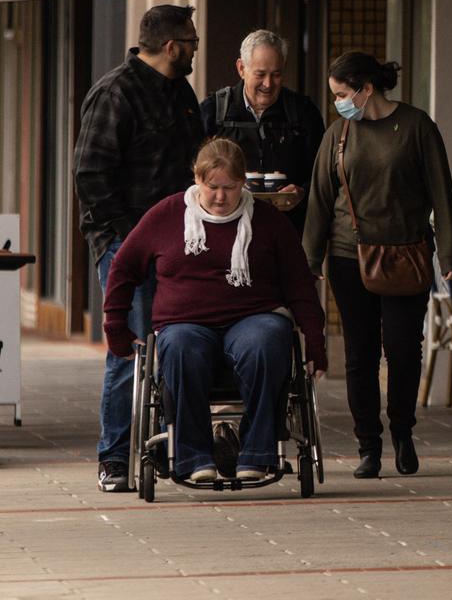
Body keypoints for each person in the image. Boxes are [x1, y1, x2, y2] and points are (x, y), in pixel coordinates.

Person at [103, 138, 326, 482]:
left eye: (231, 187)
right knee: (178, 347)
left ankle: (257, 453)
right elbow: (123, 266)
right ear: (197, 179)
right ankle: (194, 458)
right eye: (212, 187)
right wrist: (116, 327)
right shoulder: (167, 214)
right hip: (185, 322)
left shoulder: (268, 221)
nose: (221, 197)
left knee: (269, 339)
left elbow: (299, 282)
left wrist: (314, 340)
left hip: (253, 317)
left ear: (244, 184)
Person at [303, 52, 452, 479]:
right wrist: (310, 258)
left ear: (366, 88)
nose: (337, 101)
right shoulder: (338, 133)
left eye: (341, 93)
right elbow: (319, 197)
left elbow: (441, 191)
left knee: (405, 350)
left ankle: (403, 432)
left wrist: (448, 253)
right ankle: (368, 446)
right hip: (346, 254)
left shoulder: (415, 126)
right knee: (360, 354)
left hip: (405, 253)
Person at [74, 5, 206, 492]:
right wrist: (132, 240)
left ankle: (170, 448)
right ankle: (114, 459)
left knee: (175, 343)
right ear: (171, 47)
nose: (195, 47)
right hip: (125, 246)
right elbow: (90, 176)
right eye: (190, 40)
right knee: (131, 348)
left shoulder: (182, 94)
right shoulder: (116, 93)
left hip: (182, 246)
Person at [200, 30, 325, 233]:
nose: (268, 84)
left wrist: (302, 192)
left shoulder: (303, 111)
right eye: (260, 74)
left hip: (288, 230)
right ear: (241, 68)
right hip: (227, 229)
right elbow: (192, 173)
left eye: (276, 74)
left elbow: (323, 172)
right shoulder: (213, 111)